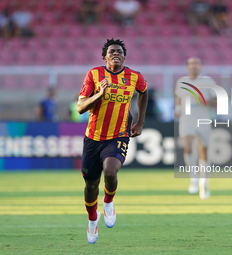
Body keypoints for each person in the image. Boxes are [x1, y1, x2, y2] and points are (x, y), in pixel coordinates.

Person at [77, 38, 148, 244]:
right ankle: (92, 221)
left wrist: (140, 121)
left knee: (110, 171)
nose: (115, 54)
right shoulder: (94, 74)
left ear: (124, 56)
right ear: (104, 57)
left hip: (119, 134)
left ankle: (108, 202)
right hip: (93, 137)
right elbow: (81, 107)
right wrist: (100, 94)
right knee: (91, 185)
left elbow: (143, 92)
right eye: (111, 52)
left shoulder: (134, 77)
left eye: (119, 51)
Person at [175, 57, 217, 200]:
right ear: (187, 67)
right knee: (187, 147)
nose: (194, 66)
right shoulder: (181, 82)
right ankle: (193, 178)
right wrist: (178, 109)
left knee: (203, 152)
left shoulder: (208, 82)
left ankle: (204, 183)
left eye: (197, 64)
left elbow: (217, 102)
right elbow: (179, 98)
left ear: (200, 67)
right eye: (191, 64)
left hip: (203, 117)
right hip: (187, 118)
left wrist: (204, 101)